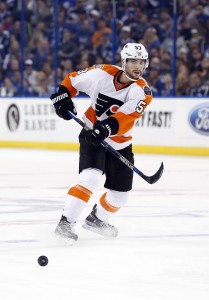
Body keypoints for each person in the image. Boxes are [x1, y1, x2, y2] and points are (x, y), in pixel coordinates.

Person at [50, 42, 152, 242]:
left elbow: (127, 117)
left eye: (141, 62)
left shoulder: (142, 92)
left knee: (120, 195)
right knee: (91, 178)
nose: (137, 66)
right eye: (132, 61)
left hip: (120, 143)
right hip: (91, 133)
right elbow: (72, 80)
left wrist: (106, 128)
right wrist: (63, 96)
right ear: (123, 62)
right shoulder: (101, 73)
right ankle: (65, 223)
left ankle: (97, 219)